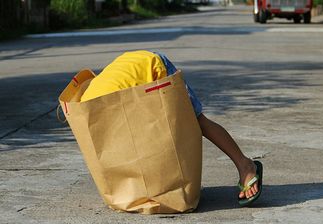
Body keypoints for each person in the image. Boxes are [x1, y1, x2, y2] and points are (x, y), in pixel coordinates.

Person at [81, 50, 263, 206]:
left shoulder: (95, 108)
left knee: (197, 120)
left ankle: (245, 165)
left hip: (155, 68)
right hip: (130, 75)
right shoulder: (87, 106)